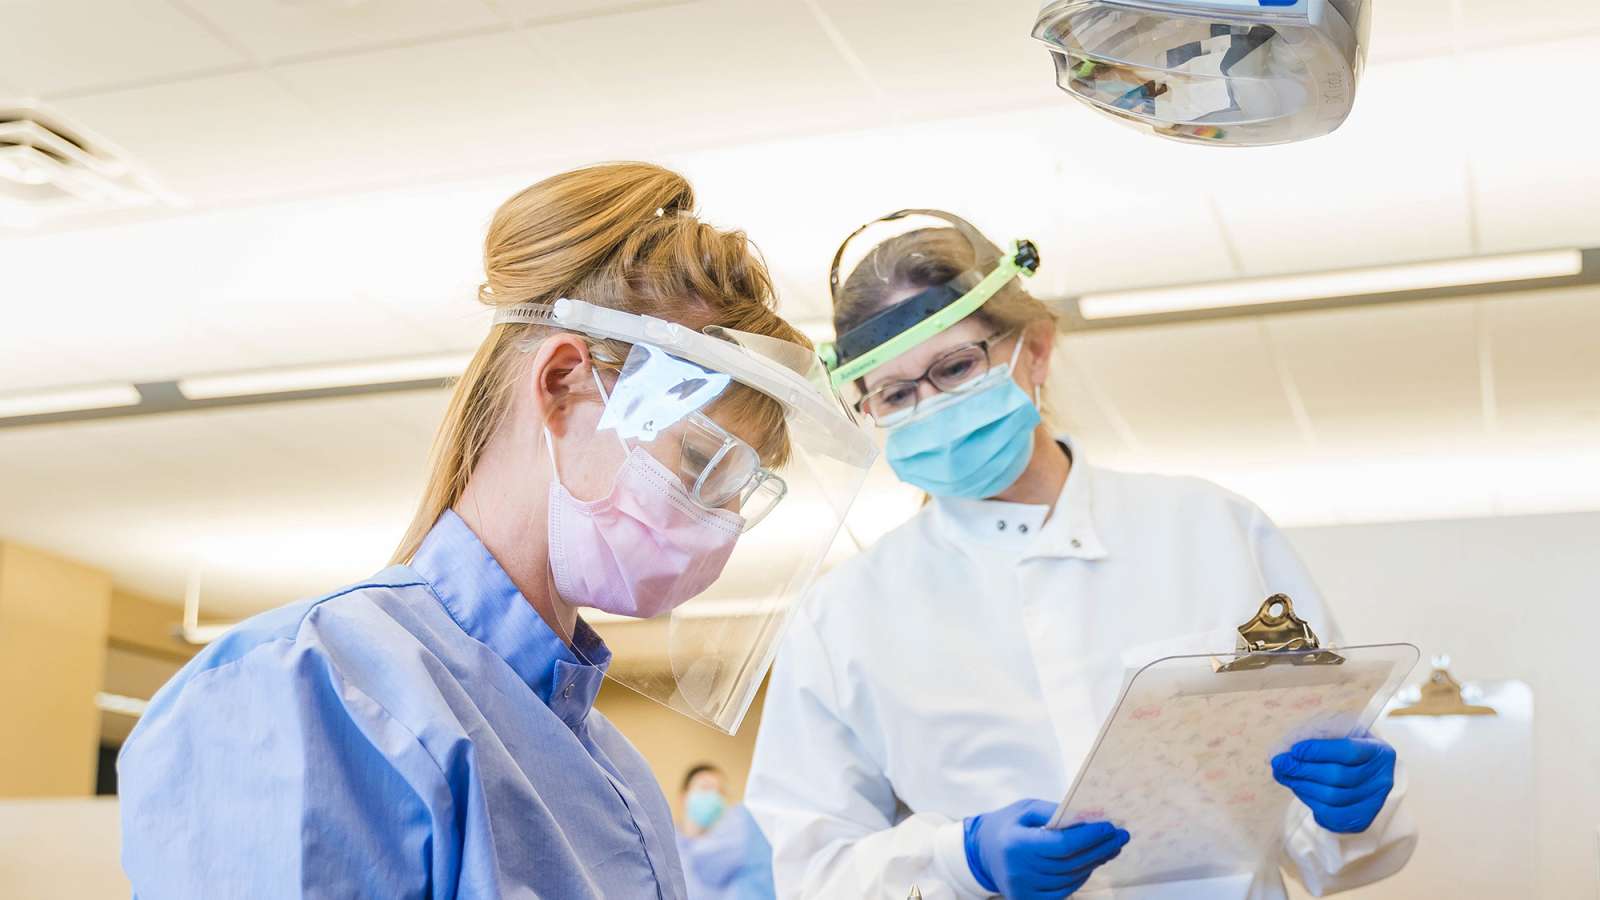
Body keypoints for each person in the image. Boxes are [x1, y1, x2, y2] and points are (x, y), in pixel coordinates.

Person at [117, 163, 875, 898]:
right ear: (562, 385)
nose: (720, 523)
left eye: (742, 491)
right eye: (703, 461)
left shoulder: (613, 776)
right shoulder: (309, 693)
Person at [746, 211, 1418, 899]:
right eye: (896, 394)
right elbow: (812, 871)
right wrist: (960, 862)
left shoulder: (1213, 531)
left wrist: (1349, 811)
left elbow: (1327, 832)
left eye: (956, 367)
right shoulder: (843, 617)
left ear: (1036, 349)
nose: (933, 407)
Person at [676, 763, 778, 900]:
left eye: (720, 792)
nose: (714, 797)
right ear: (683, 797)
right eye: (705, 788)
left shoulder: (736, 845)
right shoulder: (668, 848)